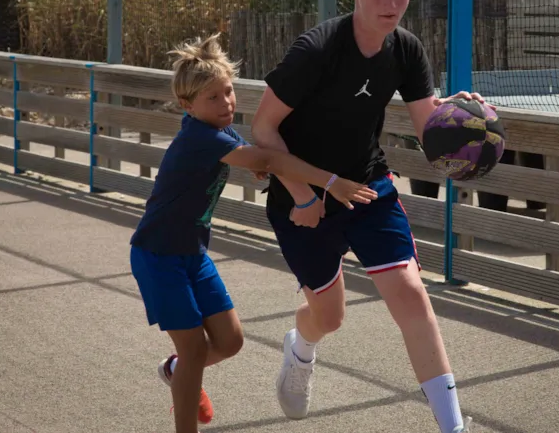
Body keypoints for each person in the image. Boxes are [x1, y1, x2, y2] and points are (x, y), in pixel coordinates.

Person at [251, 0, 481, 433]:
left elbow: (428, 131)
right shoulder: (315, 51)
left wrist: (464, 117)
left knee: (410, 293)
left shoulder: (406, 49)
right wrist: (305, 194)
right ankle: (301, 348)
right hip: (304, 193)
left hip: (367, 186)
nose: (391, 3)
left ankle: (453, 428)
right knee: (328, 316)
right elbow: (263, 129)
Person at [129, 34, 379, 433]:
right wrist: (331, 181)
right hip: (158, 257)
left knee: (229, 342)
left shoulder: (215, 130)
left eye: (228, 92)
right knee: (194, 349)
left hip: (192, 255)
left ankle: (178, 373)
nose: (226, 102)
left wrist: (258, 163)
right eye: (213, 97)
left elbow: (251, 154)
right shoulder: (200, 136)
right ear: (187, 105)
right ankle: (185, 389)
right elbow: (265, 156)